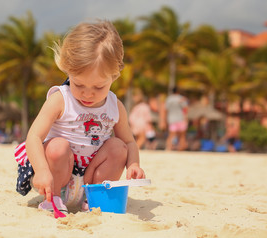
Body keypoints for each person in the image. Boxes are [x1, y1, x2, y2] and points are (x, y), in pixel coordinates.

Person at [14, 20, 146, 214]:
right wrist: (41, 170)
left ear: (115, 76)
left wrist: (134, 164)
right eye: (79, 84)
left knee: (119, 147)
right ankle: (54, 199)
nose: (88, 94)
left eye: (98, 87)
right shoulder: (61, 99)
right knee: (57, 146)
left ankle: (95, 198)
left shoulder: (115, 106)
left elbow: (129, 141)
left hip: (91, 180)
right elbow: (33, 137)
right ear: (68, 70)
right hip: (56, 177)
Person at [164, 87, 188, 151]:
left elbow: (166, 110)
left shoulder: (168, 99)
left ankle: (168, 148)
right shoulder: (181, 98)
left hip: (171, 119)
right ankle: (181, 148)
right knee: (182, 135)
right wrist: (186, 118)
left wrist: (165, 120)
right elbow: (185, 109)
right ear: (178, 91)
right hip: (180, 119)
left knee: (171, 135)